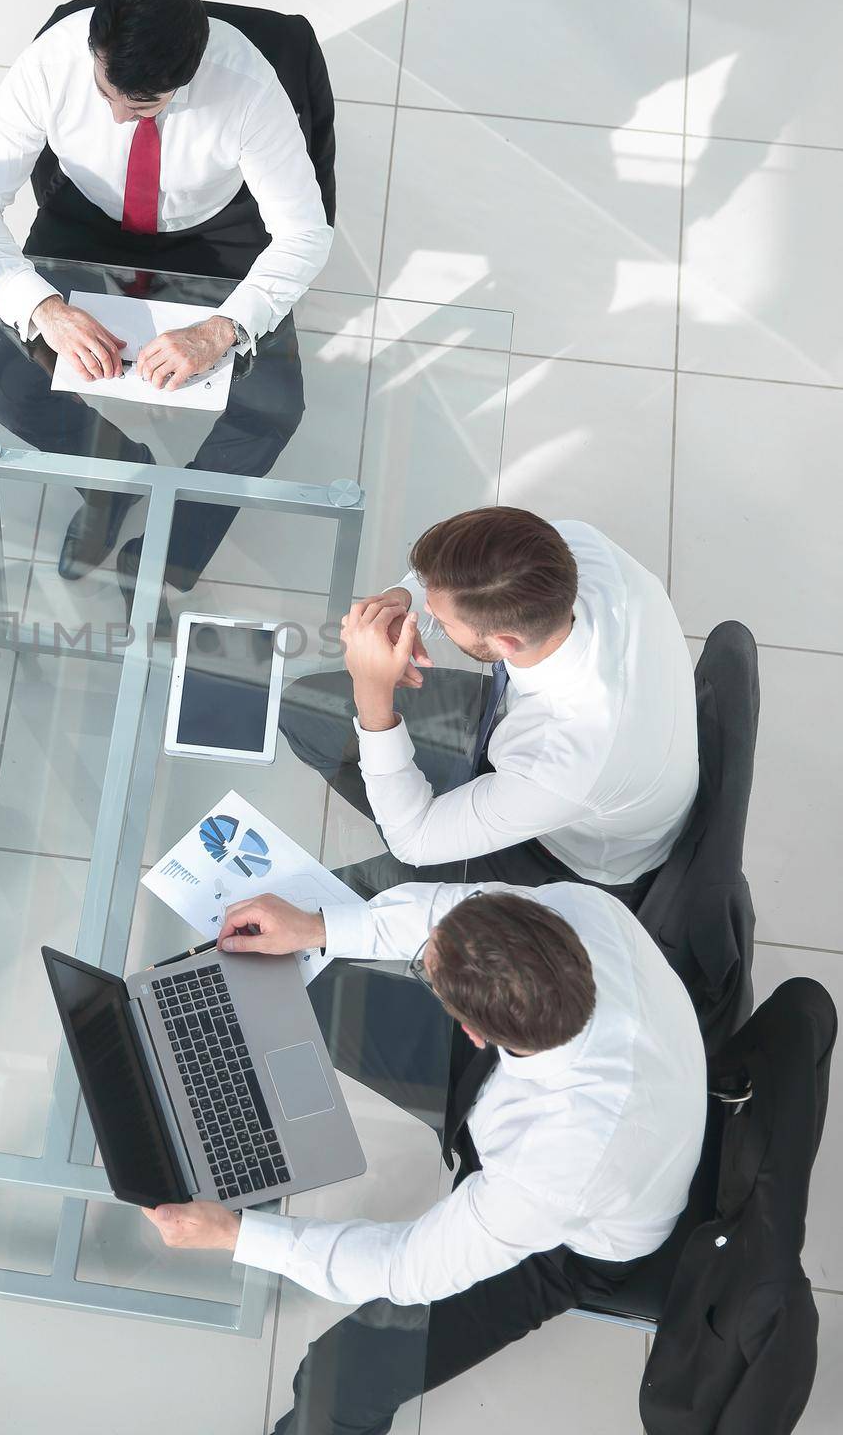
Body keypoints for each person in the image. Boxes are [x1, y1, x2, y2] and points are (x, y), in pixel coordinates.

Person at [143, 882, 708, 1435]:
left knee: (339, 1381)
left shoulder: (558, 1167)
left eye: (424, 974)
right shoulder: (580, 911)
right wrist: (317, 928)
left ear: (472, 1032)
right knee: (326, 995)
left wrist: (236, 1235)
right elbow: (452, 911)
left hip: (574, 1243)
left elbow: (403, 1268)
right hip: (572, 1118)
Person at [0, 0, 333, 611]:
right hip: (88, 216)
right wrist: (41, 306)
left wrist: (220, 330)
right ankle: (116, 479)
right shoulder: (52, 59)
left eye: (144, 105)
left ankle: (169, 553)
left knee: (272, 412)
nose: (120, 116)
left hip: (218, 227)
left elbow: (304, 234)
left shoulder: (248, 86)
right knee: (9, 390)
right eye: (108, 94)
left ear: (187, 76)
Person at [280, 507, 699, 906]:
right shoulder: (579, 547)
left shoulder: (566, 756)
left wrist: (374, 697)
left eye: (442, 622)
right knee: (304, 711)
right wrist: (399, 602)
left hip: (557, 852)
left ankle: (421, 813)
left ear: (505, 644)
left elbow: (415, 843)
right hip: (521, 733)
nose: (428, 612)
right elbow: (461, 581)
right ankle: (419, 805)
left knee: (330, 903)